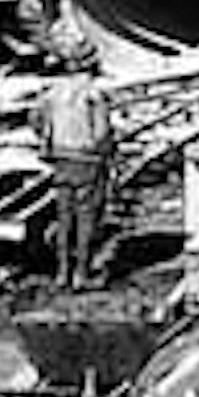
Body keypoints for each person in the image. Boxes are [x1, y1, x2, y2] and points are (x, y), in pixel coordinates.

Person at [33, 60, 114, 291]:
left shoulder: (53, 92)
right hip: (87, 159)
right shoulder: (94, 94)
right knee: (87, 216)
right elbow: (102, 131)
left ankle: (62, 272)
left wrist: (48, 139)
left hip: (61, 158)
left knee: (64, 217)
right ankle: (81, 273)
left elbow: (36, 118)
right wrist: (106, 152)